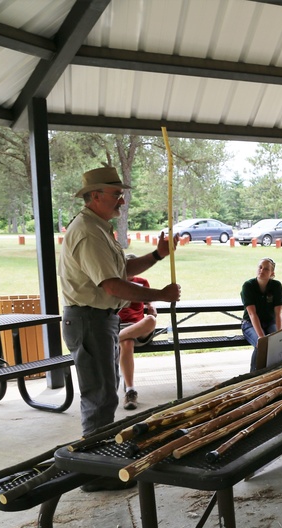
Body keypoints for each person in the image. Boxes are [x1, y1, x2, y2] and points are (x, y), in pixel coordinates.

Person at [60, 166, 180, 490]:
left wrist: (156, 255)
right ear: (95, 195)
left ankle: (98, 462)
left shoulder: (99, 228)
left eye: (122, 195)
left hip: (99, 320)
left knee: (104, 394)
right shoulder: (87, 231)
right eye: (116, 195)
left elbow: (123, 269)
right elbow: (113, 285)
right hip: (89, 319)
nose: (122, 201)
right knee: (98, 397)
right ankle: (94, 474)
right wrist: (160, 295)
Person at [117, 254, 159, 410]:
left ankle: (114, 340)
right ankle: (130, 391)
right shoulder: (115, 283)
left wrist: (151, 305)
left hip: (138, 326)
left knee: (151, 320)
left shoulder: (142, 282)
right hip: (121, 326)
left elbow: (149, 300)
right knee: (126, 343)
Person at [240, 257, 282, 372]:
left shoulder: (276, 286)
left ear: (272, 273)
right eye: (260, 267)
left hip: (270, 322)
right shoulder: (248, 286)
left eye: (266, 269)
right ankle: (254, 375)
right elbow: (252, 314)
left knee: (276, 343)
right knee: (261, 345)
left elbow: (278, 313)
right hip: (250, 323)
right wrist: (261, 337)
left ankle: (274, 372)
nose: (261, 271)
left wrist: (280, 335)